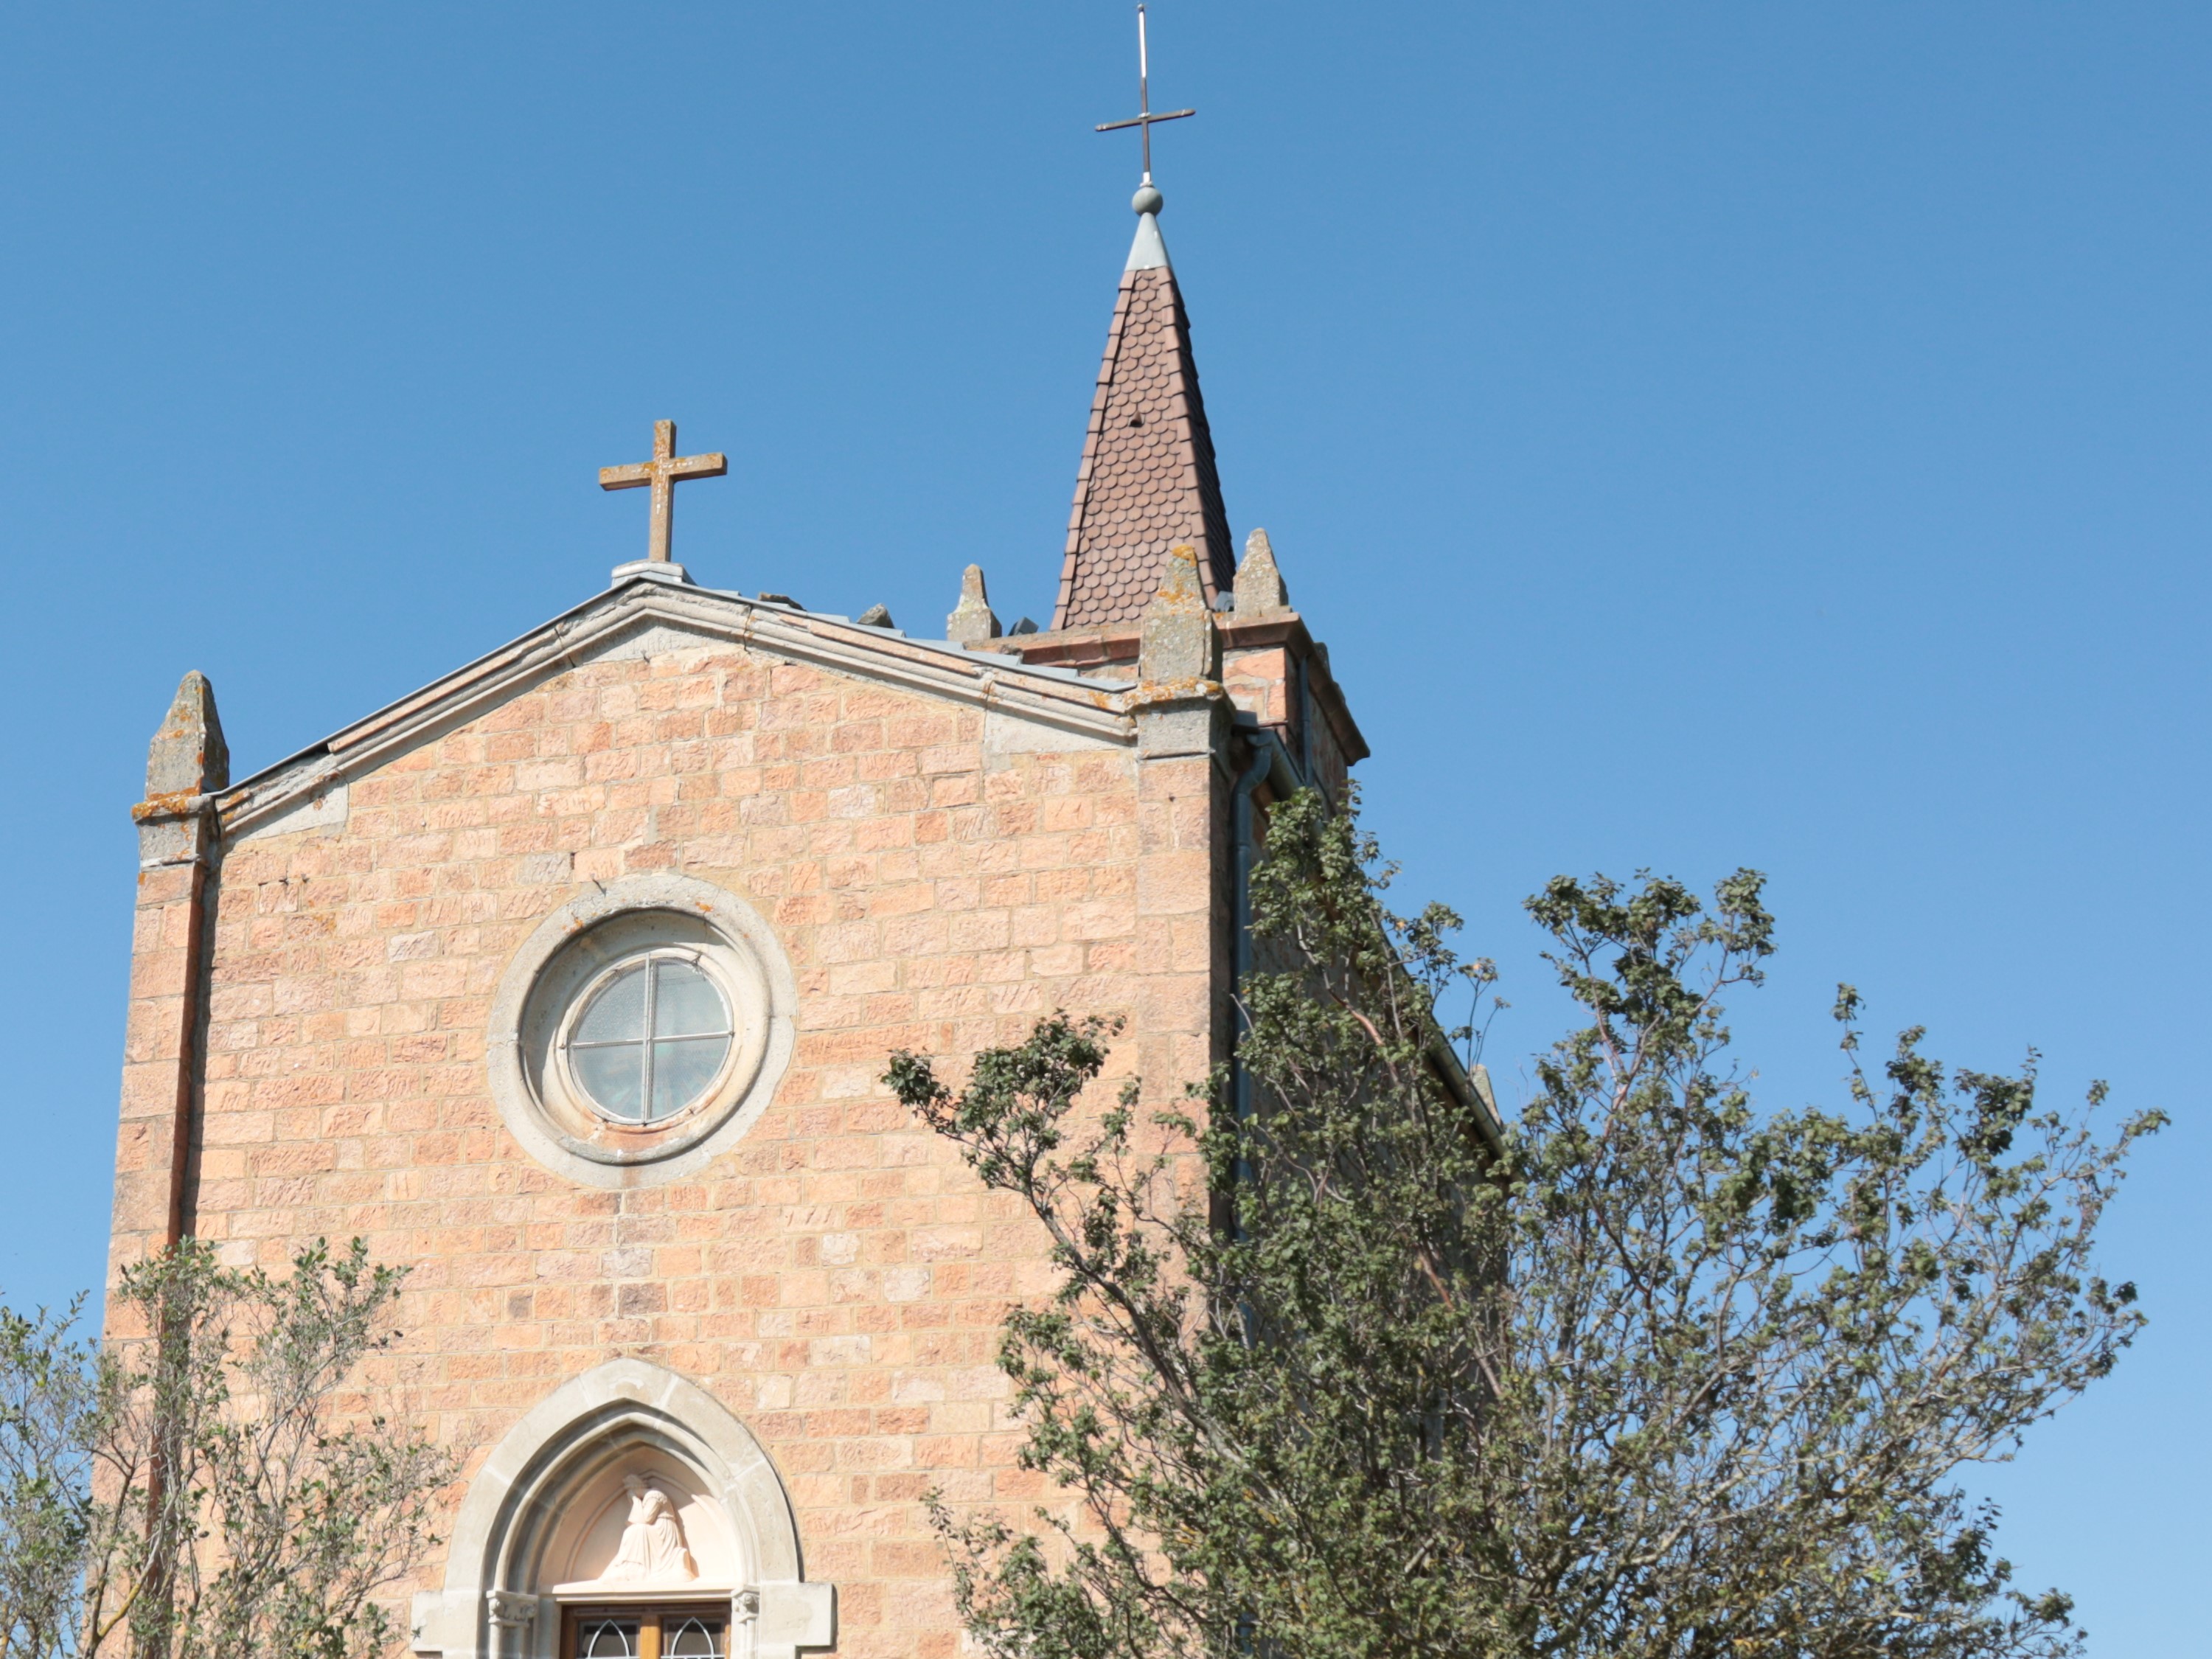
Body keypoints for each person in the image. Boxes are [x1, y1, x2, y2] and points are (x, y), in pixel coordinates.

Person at [609, 1473, 696, 1582]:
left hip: (663, 1530)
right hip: (656, 1530)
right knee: (633, 1530)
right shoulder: (650, 1496)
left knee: (636, 1530)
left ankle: (635, 1566)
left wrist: (636, 1500)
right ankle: (631, 1566)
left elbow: (646, 1519)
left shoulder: (654, 1495)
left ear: (635, 1489)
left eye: (631, 1493)